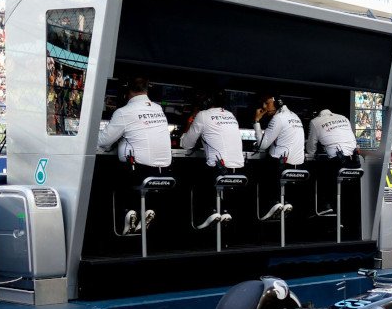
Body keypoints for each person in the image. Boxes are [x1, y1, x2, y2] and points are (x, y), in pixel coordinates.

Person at [96, 77, 172, 234]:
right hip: (164, 172)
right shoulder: (158, 109)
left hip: (139, 172)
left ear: (127, 92)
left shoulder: (124, 112)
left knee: (105, 177)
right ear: (146, 90)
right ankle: (145, 211)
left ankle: (127, 211)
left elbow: (103, 141)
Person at [179, 92, 246, 231]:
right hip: (239, 172)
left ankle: (208, 213)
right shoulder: (230, 115)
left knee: (193, 179)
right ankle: (223, 210)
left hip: (218, 171)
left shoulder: (202, 115)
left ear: (206, 102)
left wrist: (191, 119)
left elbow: (186, 144)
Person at [256, 96, 306, 220]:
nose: (264, 106)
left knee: (259, 169)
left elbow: (262, 145)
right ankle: (284, 202)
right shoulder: (295, 116)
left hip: (281, 168)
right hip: (298, 168)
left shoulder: (278, 118)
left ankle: (272, 204)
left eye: (267, 103)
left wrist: (256, 121)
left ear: (278, 103)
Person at [306, 108, 360, 217]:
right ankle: (341, 217)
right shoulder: (343, 118)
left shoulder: (315, 122)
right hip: (355, 163)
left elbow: (311, 150)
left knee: (314, 170)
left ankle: (324, 205)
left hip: (337, 163)